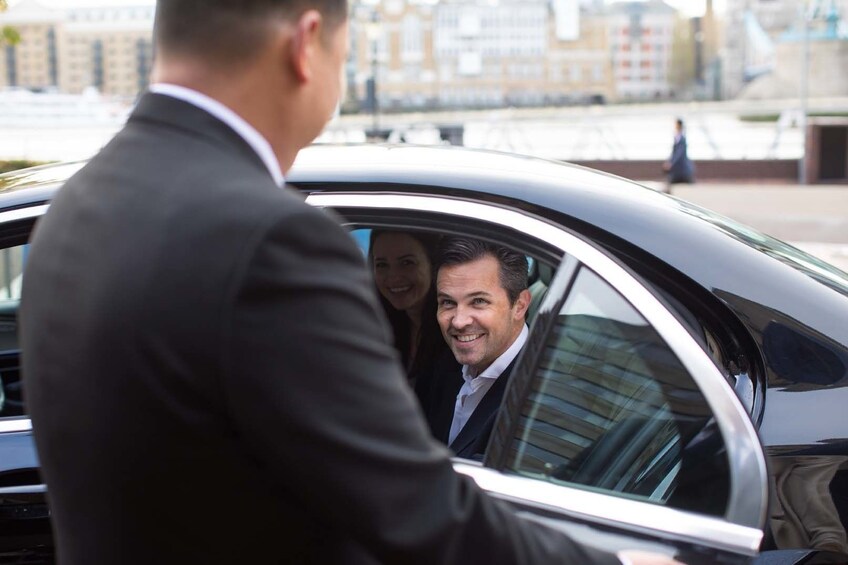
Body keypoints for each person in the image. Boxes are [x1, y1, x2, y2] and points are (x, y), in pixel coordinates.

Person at [19, 2, 682, 564]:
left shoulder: (68, 213)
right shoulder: (271, 241)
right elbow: (416, 515)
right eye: (345, 52)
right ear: (307, 45)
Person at [418, 237, 529, 460]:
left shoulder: (539, 395)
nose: (459, 321)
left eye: (478, 301)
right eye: (447, 302)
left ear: (520, 305)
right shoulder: (446, 365)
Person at [369, 230, 445, 387]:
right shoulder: (378, 328)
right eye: (382, 265)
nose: (393, 277)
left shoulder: (453, 332)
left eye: (406, 263)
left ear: (433, 265)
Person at [662, 118, 695, 193]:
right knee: (670, 177)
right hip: (678, 166)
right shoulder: (677, 137)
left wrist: (671, 163)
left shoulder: (682, 138)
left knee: (675, 177)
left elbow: (679, 153)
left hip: (680, 166)